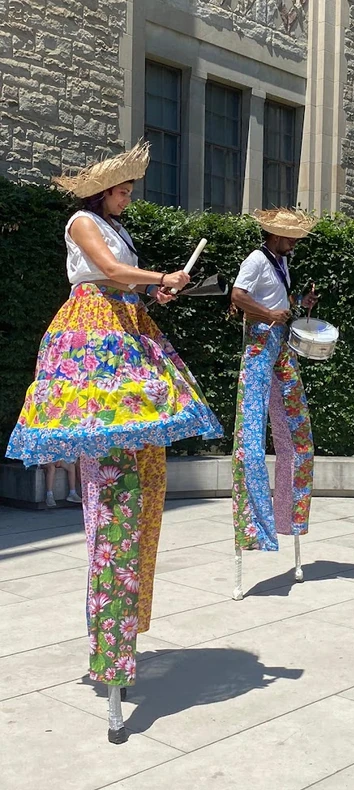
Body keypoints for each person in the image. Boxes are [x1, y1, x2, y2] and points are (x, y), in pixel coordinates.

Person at [6, 141, 223, 743]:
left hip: (126, 328)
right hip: (95, 338)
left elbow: (124, 279)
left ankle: (123, 628)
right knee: (113, 503)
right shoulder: (83, 222)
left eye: (128, 189)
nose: (129, 197)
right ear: (101, 191)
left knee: (143, 489)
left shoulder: (116, 226)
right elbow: (107, 270)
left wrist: (155, 291)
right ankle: (111, 643)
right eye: (123, 189)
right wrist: (158, 278)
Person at [230, 208, 318, 553]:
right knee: (251, 433)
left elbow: (277, 300)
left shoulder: (281, 262)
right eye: (291, 238)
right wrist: (268, 314)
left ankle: (288, 519)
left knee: (297, 431)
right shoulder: (256, 259)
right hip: (259, 341)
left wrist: (298, 302)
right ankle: (254, 528)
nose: (294, 243)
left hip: (280, 342)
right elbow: (238, 296)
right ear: (276, 235)